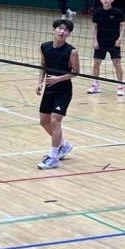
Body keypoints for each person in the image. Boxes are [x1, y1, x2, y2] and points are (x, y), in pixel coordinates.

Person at [35, 18, 79, 170]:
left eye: (66, 30)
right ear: (54, 30)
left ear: (68, 34)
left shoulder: (71, 51)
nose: (62, 31)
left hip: (63, 90)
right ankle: (64, 145)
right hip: (49, 88)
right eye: (60, 28)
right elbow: (43, 65)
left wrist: (57, 79)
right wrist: (40, 82)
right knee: (43, 121)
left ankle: (54, 157)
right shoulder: (45, 47)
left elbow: (76, 72)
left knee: (55, 121)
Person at [87, 0, 125, 96]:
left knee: (117, 63)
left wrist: (120, 39)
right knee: (96, 63)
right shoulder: (97, 12)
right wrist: (94, 40)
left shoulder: (118, 12)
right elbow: (94, 27)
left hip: (114, 42)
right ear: (101, 0)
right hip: (100, 42)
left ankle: (120, 85)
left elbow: (123, 26)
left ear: (112, 0)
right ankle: (95, 84)